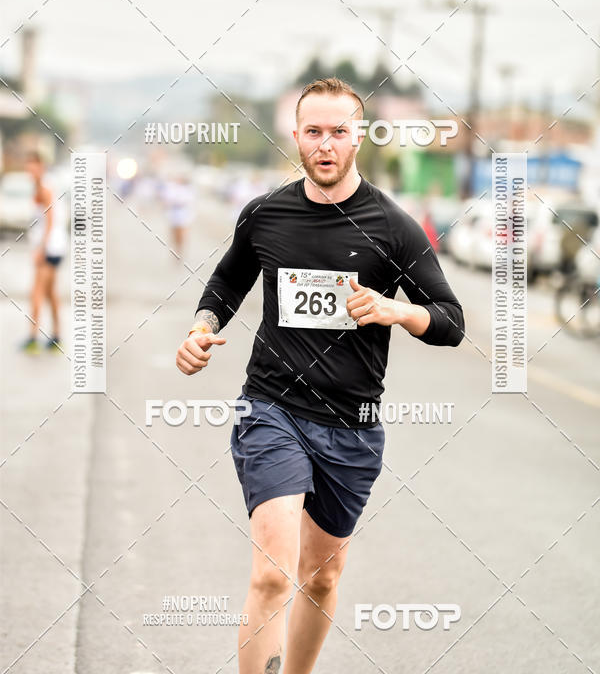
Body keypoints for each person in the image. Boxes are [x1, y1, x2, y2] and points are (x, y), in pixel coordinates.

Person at [175, 78, 464, 673]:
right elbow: (229, 281)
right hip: (271, 409)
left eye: (338, 131)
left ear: (360, 137)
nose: (325, 144)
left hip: (352, 426)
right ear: (296, 136)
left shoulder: (392, 226)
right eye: (314, 132)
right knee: (273, 575)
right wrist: (202, 326)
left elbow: (451, 321)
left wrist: (396, 310)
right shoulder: (266, 213)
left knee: (323, 577)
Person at [22, 151, 68, 354]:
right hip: (54, 247)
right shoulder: (41, 187)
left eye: (33, 166)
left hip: (50, 249)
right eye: (27, 166)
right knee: (50, 294)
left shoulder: (44, 188)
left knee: (36, 294)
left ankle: (32, 338)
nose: (29, 170)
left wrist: (41, 249)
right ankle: (57, 336)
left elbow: (50, 221)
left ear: (41, 167)